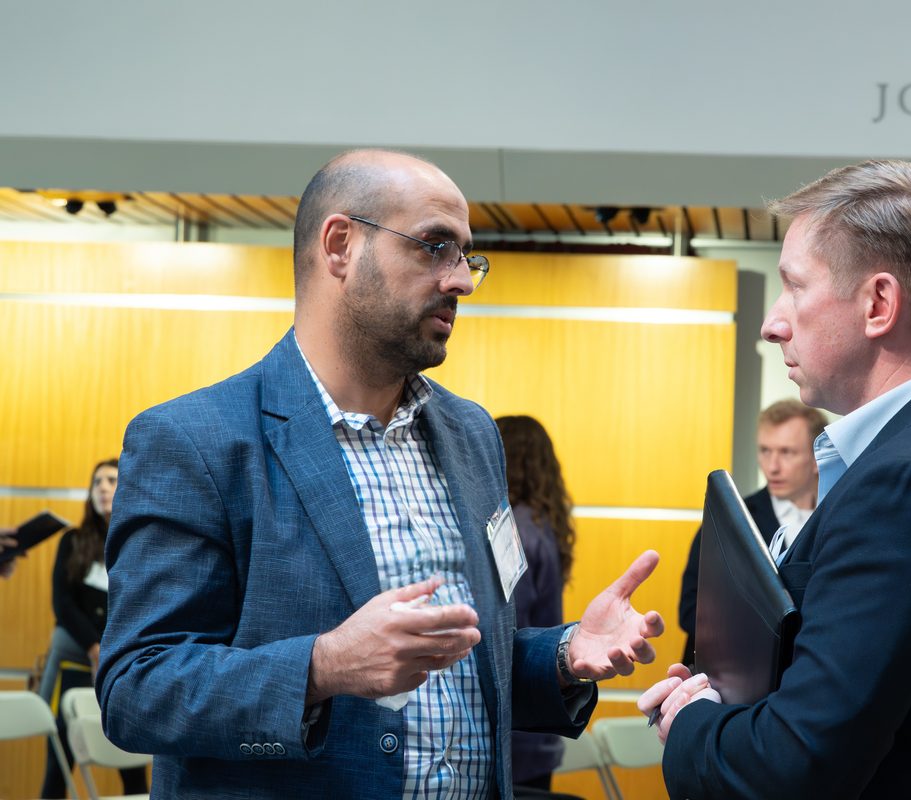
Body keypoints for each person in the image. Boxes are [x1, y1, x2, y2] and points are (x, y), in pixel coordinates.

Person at [96, 150, 664, 800]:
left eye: (467, 256)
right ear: (340, 246)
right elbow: (135, 689)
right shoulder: (195, 440)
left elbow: (466, 660)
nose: (463, 281)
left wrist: (564, 655)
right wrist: (323, 667)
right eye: (434, 247)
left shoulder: (472, 435)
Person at [638, 160, 911, 798]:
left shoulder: (909, 482)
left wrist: (691, 720)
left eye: (795, 287)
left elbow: (796, 766)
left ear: (878, 304)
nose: (772, 322)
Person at [677, 400, 826, 666]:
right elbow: (691, 612)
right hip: (729, 679)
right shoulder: (730, 520)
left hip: (808, 675)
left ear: (817, 457)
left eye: (787, 452)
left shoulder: (836, 518)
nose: (773, 466)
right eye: (765, 451)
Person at [38, 459, 148, 798]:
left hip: (120, 669)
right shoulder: (72, 541)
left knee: (131, 768)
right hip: (74, 666)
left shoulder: (139, 543)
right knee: (59, 768)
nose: (102, 487)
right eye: (96, 481)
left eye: (111, 480)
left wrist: (110, 651)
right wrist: (93, 646)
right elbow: (62, 604)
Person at [495, 415, 577, 793]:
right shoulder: (540, 524)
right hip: (538, 720)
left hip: (516, 727)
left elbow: (507, 626)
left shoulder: (515, 532)